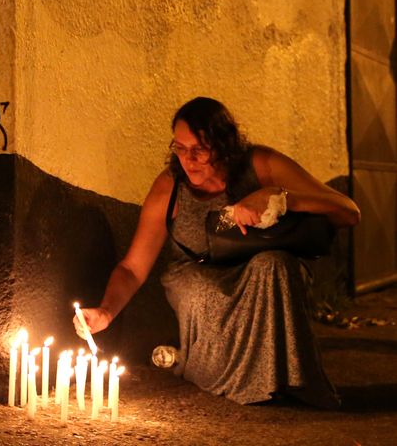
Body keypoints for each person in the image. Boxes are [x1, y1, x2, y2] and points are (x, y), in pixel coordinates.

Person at [76, 96, 360, 406]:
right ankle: (226, 377)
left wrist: (280, 199)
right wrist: (105, 311)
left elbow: (348, 211)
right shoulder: (170, 187)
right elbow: (132, 268)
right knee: (203, 289)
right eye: (180, 149)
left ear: (223, 145)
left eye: (199, 150)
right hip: (196, 272)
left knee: (274, 265)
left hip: (256, 269)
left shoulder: (260, 165)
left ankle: (287, 381)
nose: (189, 160)